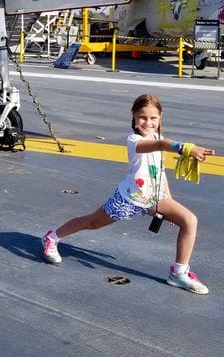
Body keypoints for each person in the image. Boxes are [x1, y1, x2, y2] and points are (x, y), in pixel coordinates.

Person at [41, 93, 214, 294]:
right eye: (142, 117)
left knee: (189, 220)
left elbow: (160, 172)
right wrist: (185, 148)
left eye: (153, 118)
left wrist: (169, 201)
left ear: (161, 118)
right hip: (128, 199)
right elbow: (160, 145)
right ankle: (51, 238)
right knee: (91, 223)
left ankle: (179, 273)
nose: (148, 122)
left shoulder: (158, 137)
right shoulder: (134, 140)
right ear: (133, 116)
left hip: (154, 199)